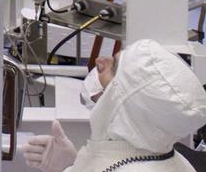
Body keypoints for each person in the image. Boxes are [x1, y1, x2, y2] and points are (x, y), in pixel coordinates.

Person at [23, 39, 206, 171]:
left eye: (113, 66)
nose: (100, 61)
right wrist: (70, 166)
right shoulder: (164, 158)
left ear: (124, 100)